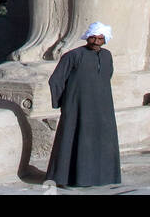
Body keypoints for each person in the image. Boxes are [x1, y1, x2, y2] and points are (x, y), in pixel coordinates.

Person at [45, 22, 121, 187]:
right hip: (77, 107)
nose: (95, 41)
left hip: (102, 108)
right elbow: (56, 80)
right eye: (93, 37)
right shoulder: (73, 56)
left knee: (101, 140)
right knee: (73, 140)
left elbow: (106, 77)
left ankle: (102, 177)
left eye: (100, 38)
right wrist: (64, 103)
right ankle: (67, 179)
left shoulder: (107, 56)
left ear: (105, 40)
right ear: (87, 37)